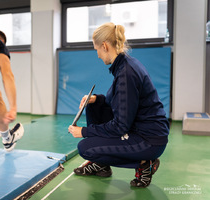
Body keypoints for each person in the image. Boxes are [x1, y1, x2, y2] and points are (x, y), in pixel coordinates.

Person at [68, 22, 170, 188]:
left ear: (105, 46)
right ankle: (102, 165)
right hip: (139, 128)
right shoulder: (124, 65)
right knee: (95, 105)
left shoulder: (126, 74)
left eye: (97, 50)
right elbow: (115, 101)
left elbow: (120, 125)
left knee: (85, 148)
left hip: (149, 140)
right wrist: (95, 99)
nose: (98, 55)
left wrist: (84, 131)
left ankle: (145, 163)